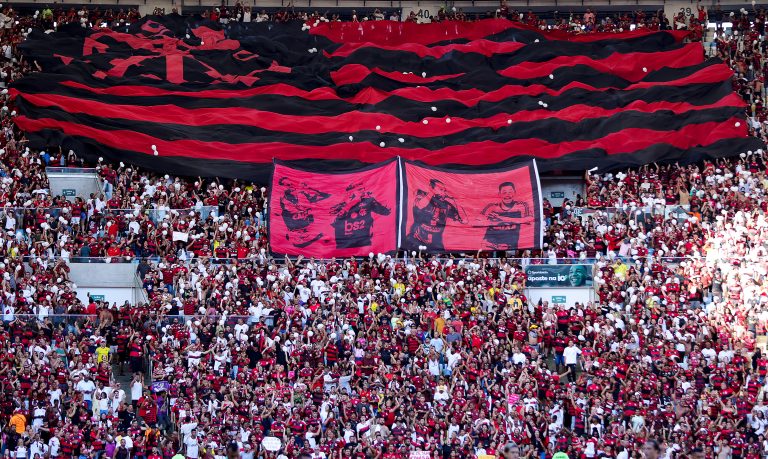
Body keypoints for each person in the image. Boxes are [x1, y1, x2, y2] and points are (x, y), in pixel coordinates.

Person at [406, 178, 466, 251]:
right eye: (441, 189)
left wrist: (456, 201)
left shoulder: (447, 205)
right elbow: (420, 205)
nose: (443, 192)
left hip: (436, 244)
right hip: (416, 240)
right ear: (431, 188)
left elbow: (464, 220)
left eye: (444, 190)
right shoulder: (421, 196)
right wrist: (431, 192)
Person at [329, 181, 391, 249]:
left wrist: (378, 200)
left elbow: (386, 212)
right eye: (359, 190)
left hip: (363, 243)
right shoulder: (341, 205)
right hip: (344, 245)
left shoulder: (368, 201)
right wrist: (347, 206)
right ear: (351, 192)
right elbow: (331, 220)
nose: (363, 191)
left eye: (363, 189)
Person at [481, 182, 534, 250]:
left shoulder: (521, 206)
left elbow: (529, 219)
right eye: (504, 192)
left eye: (510, 192)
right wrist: (489, 221)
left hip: (512, 245)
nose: (507, 195)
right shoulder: (491, 207)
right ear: (499, 194)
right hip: (491, 245)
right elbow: (476, 221)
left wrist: (500, 218)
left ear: (514, 192)